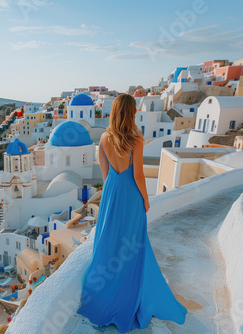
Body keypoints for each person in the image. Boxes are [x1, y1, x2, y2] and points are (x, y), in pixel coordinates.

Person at [77, 94, 187, 332]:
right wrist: (146, 200)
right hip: (131, 196)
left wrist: (112, 196)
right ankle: (131, 296)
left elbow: (105, 176)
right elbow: (138, 175)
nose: (136, 114)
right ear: (129, 113)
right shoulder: (136, 139)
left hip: (111, 195)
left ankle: (104, 297)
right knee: (132, 246)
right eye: (134, 111)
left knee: (110, 244)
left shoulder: (104, 139)